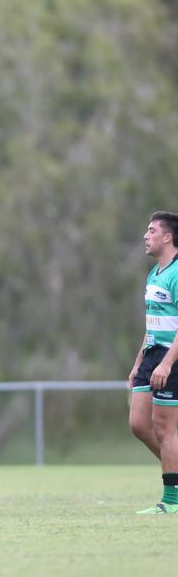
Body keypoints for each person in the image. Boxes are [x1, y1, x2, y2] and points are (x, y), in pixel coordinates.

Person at [129, 211, 178, 515]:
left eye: (151, 231)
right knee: (138, 423)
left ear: (168, 237)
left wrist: (167, 363)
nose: (145, 236)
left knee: (164, 428)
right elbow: (151, 323)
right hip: (151, 355)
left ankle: (171, 500)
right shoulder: (154, 273)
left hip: (171, 356)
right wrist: (138, 363)